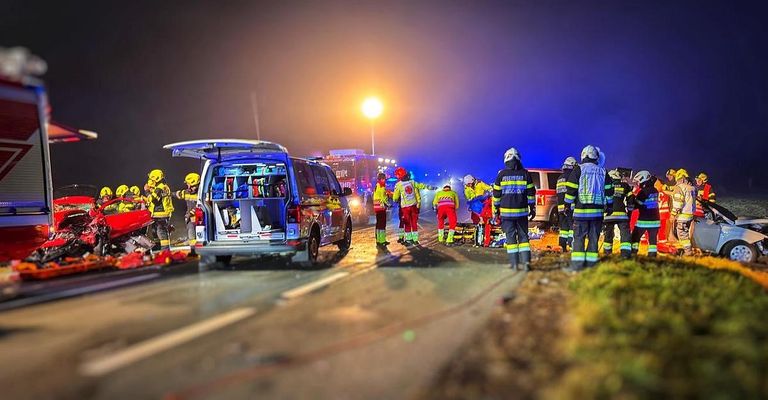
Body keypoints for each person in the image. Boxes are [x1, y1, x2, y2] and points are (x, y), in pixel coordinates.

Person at [564, 145, 613, 271]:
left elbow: (571, 189)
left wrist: (567, 205)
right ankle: (591, 266)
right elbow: (609, 191)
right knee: (593, 239)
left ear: (583, 156)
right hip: (597, 214)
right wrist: (610, 206)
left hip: (581, 213)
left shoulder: (578, 170)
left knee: (579, 239)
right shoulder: (603, 171)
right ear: (596, 157)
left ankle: (577, 266)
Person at [492, 147, 536, 270]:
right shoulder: (525, 174)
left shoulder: (501, 175)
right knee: (523, 238)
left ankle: (514, 264)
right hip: (522, 213)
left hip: (506, 214)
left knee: (510, 238)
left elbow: (496, 195)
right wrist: (532, 208)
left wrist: (496, 211)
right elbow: (531, 193)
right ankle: (526, 263)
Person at [629, 170, 660, 257]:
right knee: (652, 241)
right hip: (656, 221)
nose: (638, 183)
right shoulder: (655, 190)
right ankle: (652, 256)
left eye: (639, 181)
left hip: (644, 220)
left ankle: (633, 253)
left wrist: (632, 197)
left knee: (635, 237)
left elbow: (636, 206)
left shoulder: (643, 192)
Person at [603, 169, 631, 258]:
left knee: (608, 233)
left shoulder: (606, 186)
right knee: (625, 234)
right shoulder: (625, 186)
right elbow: (631, 199)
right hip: (621, 215)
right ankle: (625, 254)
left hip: (609, 214)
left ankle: (607, 252)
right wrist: (629, 212)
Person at [145, 169, 174, 250]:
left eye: (152, 179)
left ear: (156, 179)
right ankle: (157, 248)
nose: (150, 180)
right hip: (157, 214)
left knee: (161, 232)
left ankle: (165, 249)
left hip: (162, 214)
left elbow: (153, 199)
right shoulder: (159, 187)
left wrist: (147, 191)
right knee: (155, 232)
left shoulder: (160, 187)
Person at [393, 167, 421, 246]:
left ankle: (407, 239)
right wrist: (418, 205)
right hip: (413, 206)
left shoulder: (399, 184)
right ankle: (415, 239)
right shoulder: (412, 183)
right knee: (413, 223)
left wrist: (395, 198)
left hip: (405, 207)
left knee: (406, 223)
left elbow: (395, 198)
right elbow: (417, 196)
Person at [463, 174, 494, 247]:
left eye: (470, 184)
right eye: (468, 184)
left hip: (483, 204)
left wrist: (490, 191)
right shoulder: (466, 189)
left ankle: (484, 239)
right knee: (476, 220)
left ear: (473, 181)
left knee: (486, 221)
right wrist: (471, 200)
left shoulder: (480, 184)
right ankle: (478, 237)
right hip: (475, 206)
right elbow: (468, 197)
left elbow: (488, 188)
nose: (469, 185)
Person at [671, 169, 697, 256]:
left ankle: (688, 252)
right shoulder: (693, 188)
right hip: (691, 215)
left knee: (682, 234)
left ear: (682, 179)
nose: (677, 182)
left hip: (682, 216)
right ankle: (688, 249)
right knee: (686, 233)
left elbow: (678, 203)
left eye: (678, 180)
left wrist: (673, 214)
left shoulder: (679, 188)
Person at [174, 172, 200, 255]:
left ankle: (200, 251)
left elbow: (201, 205)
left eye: (190, 185)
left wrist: (191, 213)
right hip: (190, 219)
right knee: (191, 236)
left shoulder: (201, 192)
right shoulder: (186, 192)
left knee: (199, 235)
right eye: (188, 185)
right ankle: (193, 252)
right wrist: (167, 194)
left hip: (199, 217)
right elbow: (178, 194)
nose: (188, 187)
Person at [556, 156, 577, 251]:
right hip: (570, 206)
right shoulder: (571, 176)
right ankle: (572, 244)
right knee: (573, 226)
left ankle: (562, 246)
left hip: (560, 207)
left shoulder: (560, 178)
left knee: (563, 229)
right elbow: (573, 191)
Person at [372, 172, 391, 248]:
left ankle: (378, 240)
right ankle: (382, 241)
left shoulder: (377, 185)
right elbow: (383, 197)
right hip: (381, 207)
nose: (385, 180)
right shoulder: (382, 186)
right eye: (384, 179)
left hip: (377, 207)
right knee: (382, 224)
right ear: (382, 179)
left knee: (378, 224)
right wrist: (388, 204)